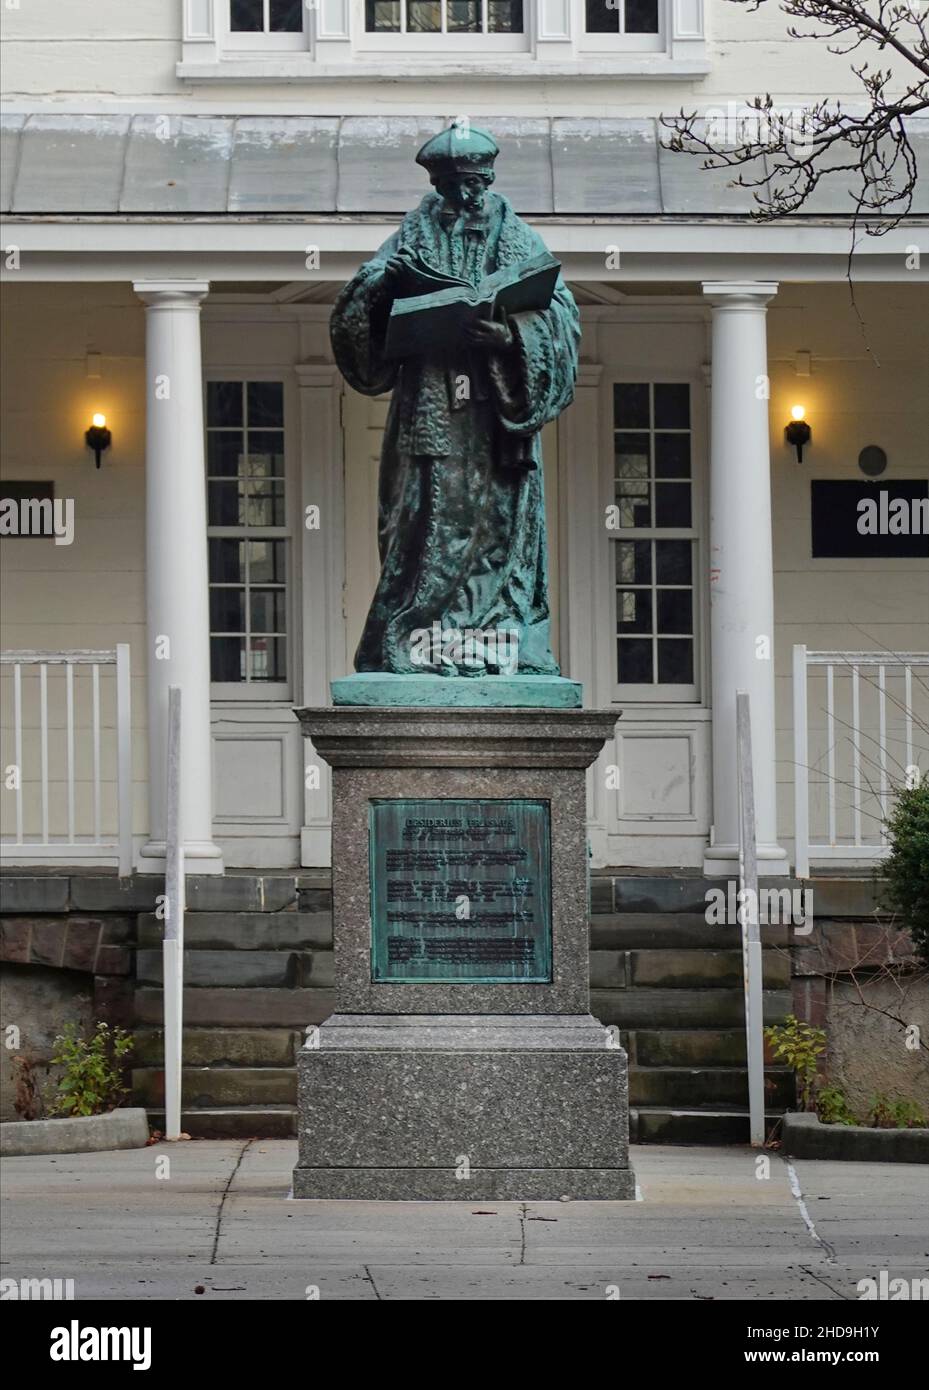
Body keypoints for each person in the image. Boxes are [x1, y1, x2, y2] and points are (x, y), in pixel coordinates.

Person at [330, 123, 580, 677]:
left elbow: (561, 319)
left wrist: (511, 338)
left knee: (497, 527)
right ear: (437, 184)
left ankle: (495, 637)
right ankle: (421, 639)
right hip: (432, 417)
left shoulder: (518, 236)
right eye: (453, 185)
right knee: (421, 528)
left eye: (473, 182)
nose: (466, 195)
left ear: (489, 178)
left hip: (495, 425)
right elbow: (357, 318)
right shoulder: (412, 235)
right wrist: (381, 285)